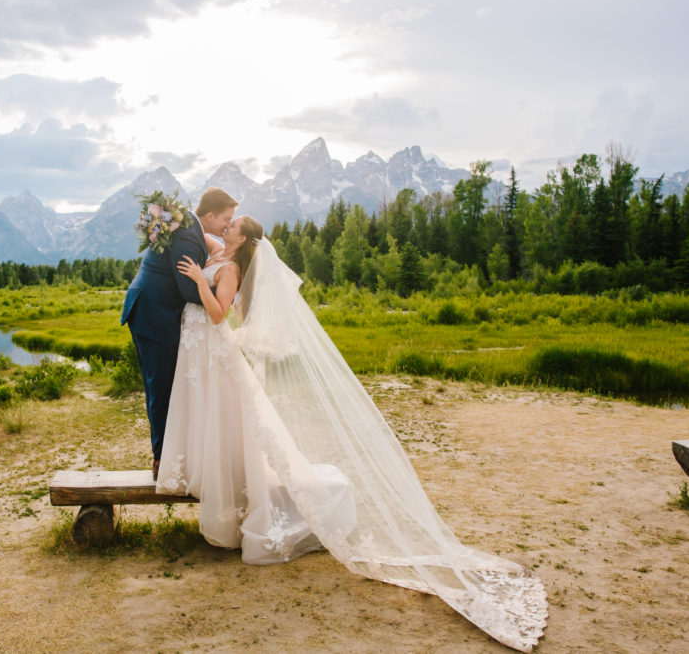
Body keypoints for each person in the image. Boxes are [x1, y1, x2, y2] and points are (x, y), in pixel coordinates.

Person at [157, 218, 549, 652]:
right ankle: (232, 491)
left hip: (219, 350)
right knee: (233, 431)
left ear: (243, 239)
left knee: (249, 431)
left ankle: (261, 507)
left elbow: (217, 315)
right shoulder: (221, 255)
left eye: (232, 226)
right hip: (210, 358)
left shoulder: (227, 270)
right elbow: (196, 232)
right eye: (225, 222)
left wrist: (199, 281)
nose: (225, 226)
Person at [121, 187, 237, 480]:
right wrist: (224, 298)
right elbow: (188, 288)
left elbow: (209, 246)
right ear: (209, 215)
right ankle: (161, 463)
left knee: (164, 384)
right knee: (160, 387)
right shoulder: (187, 233)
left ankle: (169, 456)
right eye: (226, 218)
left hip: (152, 309)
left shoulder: (190, 227)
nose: (227, 225)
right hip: (153, 313)